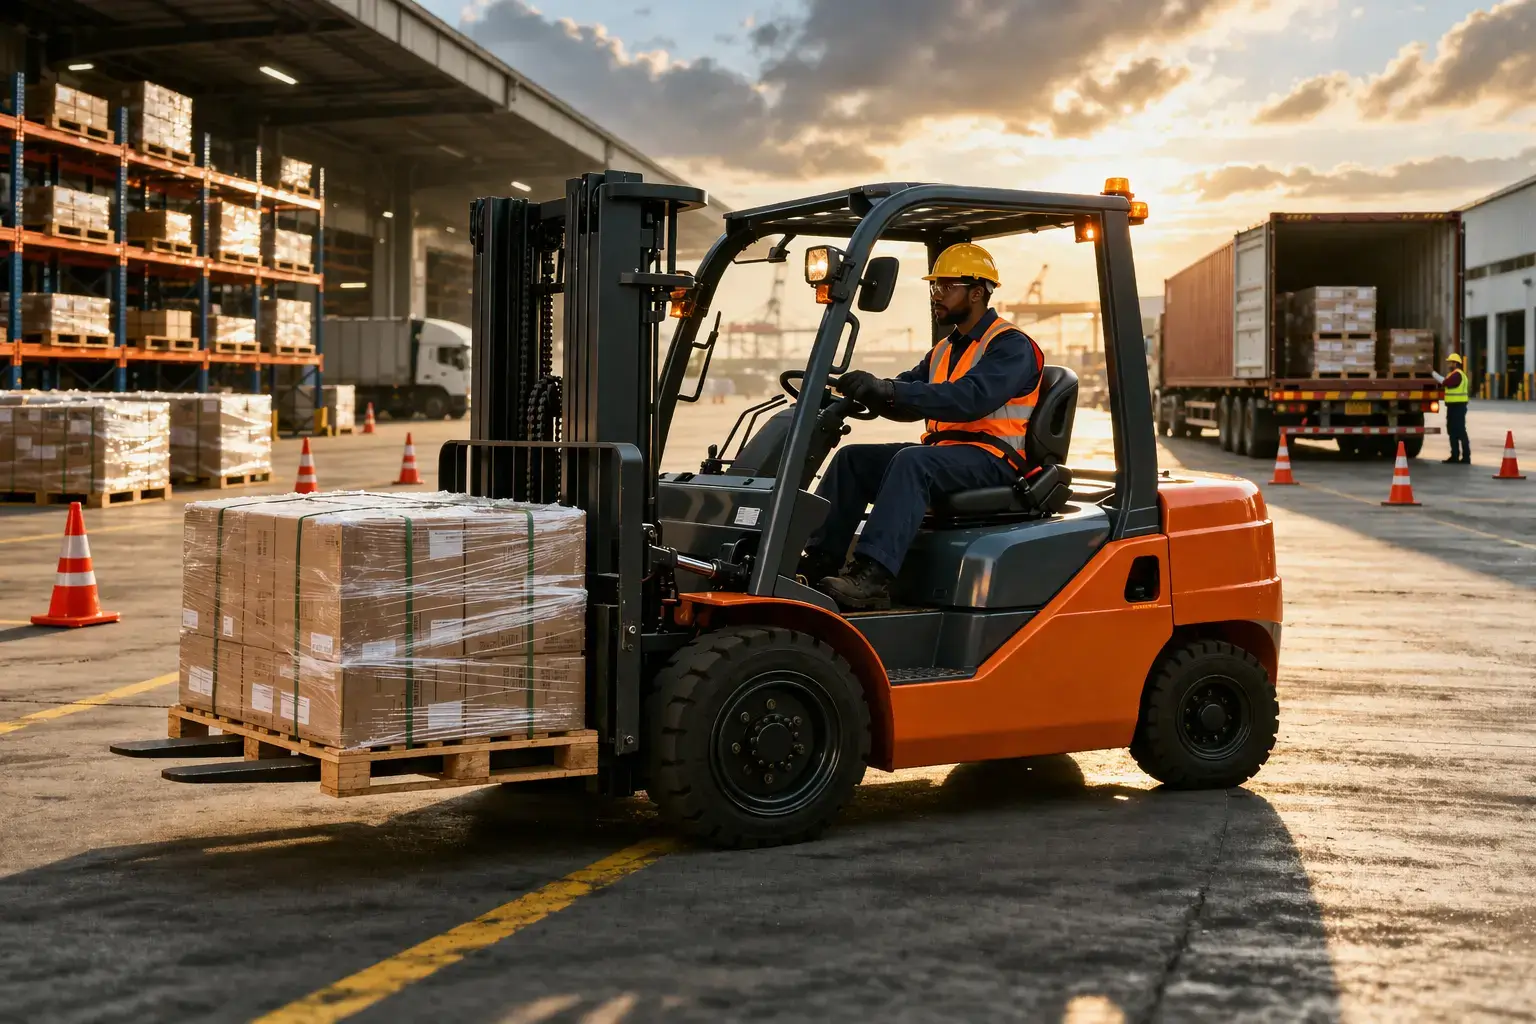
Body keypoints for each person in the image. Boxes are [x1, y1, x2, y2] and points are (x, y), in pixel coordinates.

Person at [798, 243, 1044, 611]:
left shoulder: (1011, 347)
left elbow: (970, 398)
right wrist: (871, 391)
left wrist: (891, 390)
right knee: (854, 460)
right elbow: (910, 398)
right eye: (934, 287)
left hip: (995, 460)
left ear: (977, 292)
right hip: (949, 455)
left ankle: (872, 576)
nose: (936, 295)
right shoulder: (944, 349)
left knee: (913, 461)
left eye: (946, 287)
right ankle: (818, 561)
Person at [1432, 352, 1469, 464]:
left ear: (1455, 363)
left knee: (1459, 431)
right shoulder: (1454, 374)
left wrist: (1432, 373)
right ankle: (1455, 455)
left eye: (1450, 362)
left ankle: (1465, 457)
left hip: (1458, 407)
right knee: (1453, 431)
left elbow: (1445, 382)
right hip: (1454, 407)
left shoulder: (1457, 375)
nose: (1449, 364)